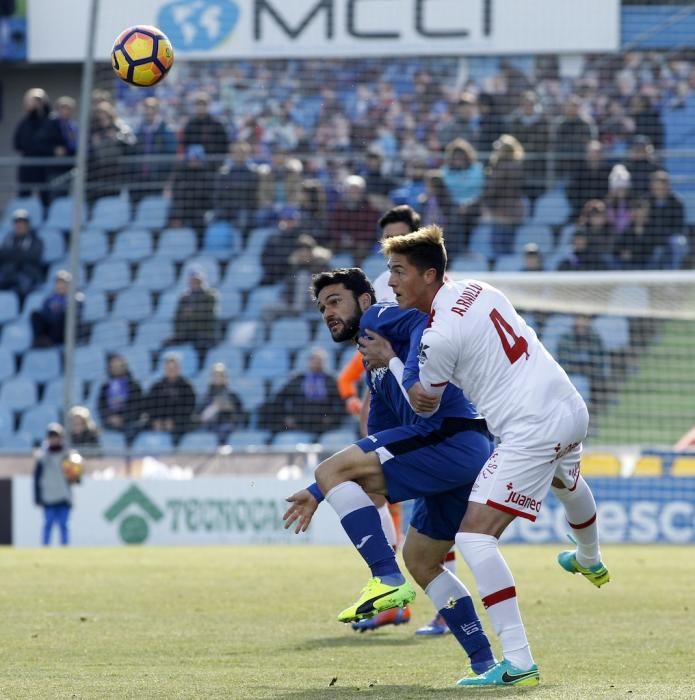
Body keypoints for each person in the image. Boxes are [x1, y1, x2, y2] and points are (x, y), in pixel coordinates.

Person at [363, 224, 609, 687]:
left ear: (429, 275)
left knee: (474, 539)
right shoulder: (480, 289)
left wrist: (390, 358)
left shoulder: (438, 336)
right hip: (569, 407)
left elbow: (423, 401)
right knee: (566, 481)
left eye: (398, 271)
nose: (391, 282)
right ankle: (589, 557)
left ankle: (518, 663)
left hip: (528, 428)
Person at [283, 268, 497, 678]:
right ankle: (484, 661)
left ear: (363, 300)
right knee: (423, 562)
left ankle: (384, 576)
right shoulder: (371, 362)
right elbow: (381, 439)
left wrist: (401, 362)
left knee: (332, 469)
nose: (328, 312)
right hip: (453, 451)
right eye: (321, 306)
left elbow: (422, 322)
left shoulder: (379, 316)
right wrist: (319, 489)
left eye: (335, 301)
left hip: (448, 437)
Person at [260, 347, 343, 436]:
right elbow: (280, 398)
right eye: (313, 360)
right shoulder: (298, 379)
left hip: (322, 425)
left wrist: (332, 418)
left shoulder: (331, 381)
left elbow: (341, 402)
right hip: (298, 423)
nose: (316, 363)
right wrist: (286, 417)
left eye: (319, 361)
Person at [481, 135, 525, 257]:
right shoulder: (516, 166)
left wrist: (486, 202)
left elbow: (492, 190)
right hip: (514, 212)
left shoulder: (501, 167)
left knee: (499, 248)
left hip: (501, 213)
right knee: (507, 248)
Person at [33, 423, 75, 546]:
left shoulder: (68, 456)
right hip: (48, 496)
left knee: (64, 524)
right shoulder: (42, 458)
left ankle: (65, 547)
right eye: (51, 436)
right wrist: (37, 497)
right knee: (48, 524)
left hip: (63, 495)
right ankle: (45, 547)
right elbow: (37, 479)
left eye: (56, 436)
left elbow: (74, 478)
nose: (53, 439)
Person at [556, 314, 607, 412]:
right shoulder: (566, 338)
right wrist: (580, 368)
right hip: (571, 374)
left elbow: (599, 361)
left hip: (590, 376)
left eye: (584, 319)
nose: (581, 322)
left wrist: (587, 369)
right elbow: (563, 362)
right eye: (579, 319)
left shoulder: (595, 338)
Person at [132, 96, 176, 201]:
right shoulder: (138, 131)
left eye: (151, 108)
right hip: (140, 178)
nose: (148, 111)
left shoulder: (166, 130)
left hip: (157, 178)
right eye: (146, 108)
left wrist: (165, 177)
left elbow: (170, 156)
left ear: (156, 110)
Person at [146, 353, 197, 444]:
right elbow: (150, 406)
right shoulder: (156, 386)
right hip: (158, 423)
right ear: (164, 369)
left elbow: (189, 408)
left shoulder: (187, 387)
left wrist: (174, 421)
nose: (171, 371)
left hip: (180, 424)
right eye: (169, 368)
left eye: (174, 368)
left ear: (179, 369)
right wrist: (157, 420)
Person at [328, 175, 381, 262]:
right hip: (341, 241)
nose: (354, 193)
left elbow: (371, 230)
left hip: (361, 243)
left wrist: (354, 239)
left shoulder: (370, 208)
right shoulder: (339, 207)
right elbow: (333, 227)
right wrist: (341, 238)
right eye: (351, 190)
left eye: (357, 191)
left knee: (361, 250)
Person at [169, 266, 219, 357]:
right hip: (187, 334)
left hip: (204, 334)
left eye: (197, 281)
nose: (195, 284)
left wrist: (192, 313)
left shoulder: (210, 296)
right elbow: (177, 318)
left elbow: (208, 315)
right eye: (192, 281)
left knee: (200, 347)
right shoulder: (184, 298)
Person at [13, 88, 52, 203]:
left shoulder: (51, 121)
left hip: (44, 165)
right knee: (24, 195)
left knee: (46, 196)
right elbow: (17, 144)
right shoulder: (24, 122)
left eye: (38, 100)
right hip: (27, 164)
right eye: (32, 100)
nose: (35, 104)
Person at [97, 354, 145, 445]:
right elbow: (101, 406)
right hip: (110, 423)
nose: (116, 368)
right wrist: (110, 417)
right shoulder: (105, 386)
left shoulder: (134, 385)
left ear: (125, 367)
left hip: (130, 423)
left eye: (119, 366)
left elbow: (138, 406)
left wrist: (123, 418)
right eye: (113, 366)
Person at [31, 269, 83, 347]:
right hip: (51, 327)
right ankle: (42, 339)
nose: (60, 285)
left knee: (64, 315)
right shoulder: (50, 299)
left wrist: (61, 308)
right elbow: (45, 313)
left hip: (65, 330)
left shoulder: (76, 297)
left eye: (63, 283)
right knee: (35, 314)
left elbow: (77, 313)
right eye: (58, 282)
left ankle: (51, 341)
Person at [0, 208, 44, 300]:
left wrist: (13, 254)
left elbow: (34, 256)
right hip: (9, 272)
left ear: (28, 225)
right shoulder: (8, 239)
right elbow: (2, 255)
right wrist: (21, 253)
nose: (19, 225)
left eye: (22, 222)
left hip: (27, 273)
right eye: (17, 223)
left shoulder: (36, 240)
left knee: (24, 286)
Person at [198, 362, 245, 442]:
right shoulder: (206, 397)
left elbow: (240, 414)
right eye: (216, 375)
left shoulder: (233, 396)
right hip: (210, 427)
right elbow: (200, 416)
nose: (218, 378)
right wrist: (213, 408)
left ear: (226, 378)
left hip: (227, 428)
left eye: (221, 375)